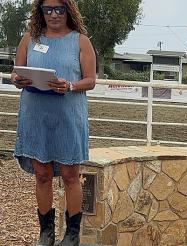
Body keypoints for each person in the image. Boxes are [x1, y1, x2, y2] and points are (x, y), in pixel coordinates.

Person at [10, 0, 96, 245]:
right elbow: (16, 72)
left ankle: (71, 235)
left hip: (68, 116)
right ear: (40, 12)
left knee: (70, 174)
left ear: (68, 11)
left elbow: (90, 80)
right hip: (36, 114)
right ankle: (45, 233)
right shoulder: (29, 38)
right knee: (42, 174)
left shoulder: (80, 41)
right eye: (48, 9)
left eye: (59, 9)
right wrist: (18, 79)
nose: (54, 14)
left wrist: (69, 85)